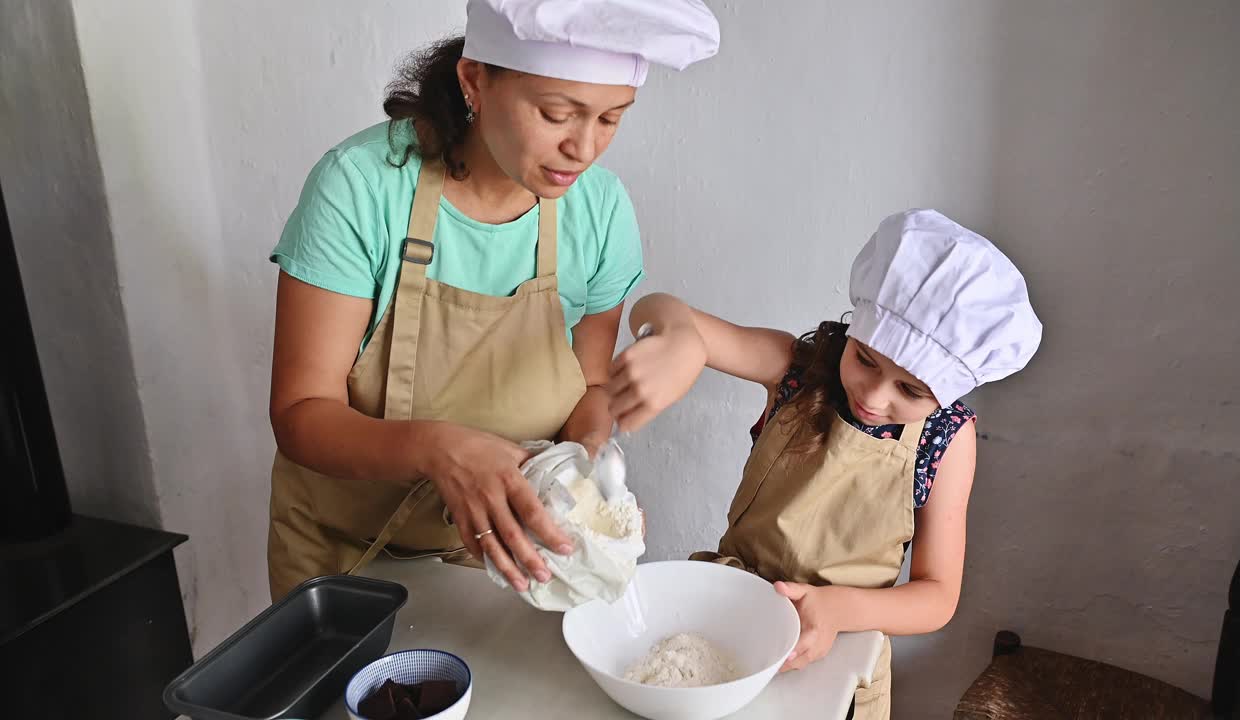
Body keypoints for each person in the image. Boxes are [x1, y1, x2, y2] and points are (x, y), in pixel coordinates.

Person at [265, 0, 719, 601]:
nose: (583, 148)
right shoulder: (362, 186)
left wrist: (579, 484)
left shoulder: (601, 211)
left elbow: (589, 389)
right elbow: (301, 413)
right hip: (346, 557)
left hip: (508, 554)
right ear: (474, 79)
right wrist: (438, 449)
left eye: (611, 119)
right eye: (558, 113)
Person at [606, 209, 1042, 718]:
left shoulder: (948, 438)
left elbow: (938, 596)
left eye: (910, 389)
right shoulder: (794, 370)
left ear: (947, 393)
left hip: (840, 657)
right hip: (730, 623)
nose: (875, 397)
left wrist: (839, 607)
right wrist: (680, 338)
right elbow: (657, 307)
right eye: (865, 359)